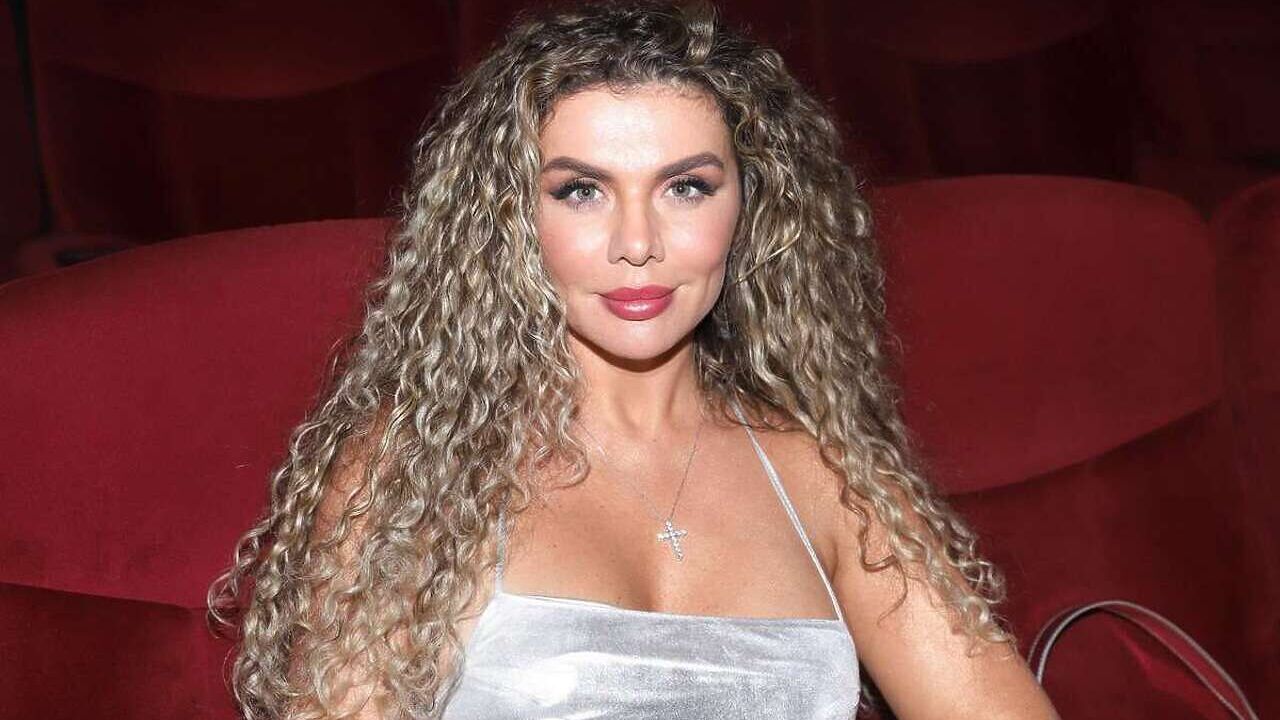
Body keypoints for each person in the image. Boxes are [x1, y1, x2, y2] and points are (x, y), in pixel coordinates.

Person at [208, 1, 1062, 718]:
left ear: (752, 204)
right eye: (581, 191)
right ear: (508, 221)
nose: (638, 243)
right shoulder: (417, 474)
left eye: (686, 186)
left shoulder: (826, 474)